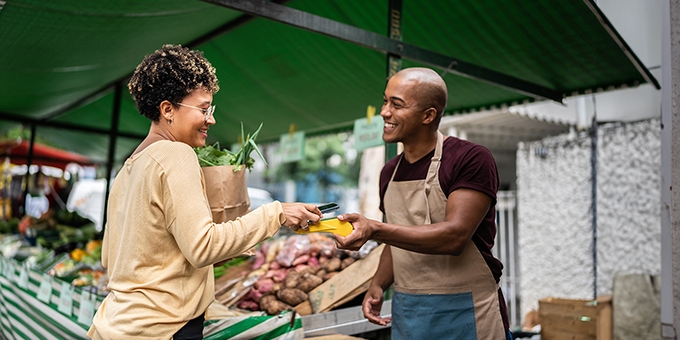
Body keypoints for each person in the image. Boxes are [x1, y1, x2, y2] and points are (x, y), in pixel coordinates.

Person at [87, 45, 322, 340]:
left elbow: (112, 258)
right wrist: (277, 213)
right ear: (167, 110)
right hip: (163, 329)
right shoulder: (176, 155)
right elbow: (202, 247)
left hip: (118, 325)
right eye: (203, 108)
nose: (210, 119)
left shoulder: (129, 169)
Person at [335, 67, 511, 339]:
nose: (384, 112)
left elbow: (454, 237)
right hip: (409, 311)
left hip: (467, 311)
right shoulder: (389, 172)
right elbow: (398, 239)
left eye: (397, 104)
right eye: (385, 101)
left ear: (428, 115)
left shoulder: (470, 159)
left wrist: (375, 229)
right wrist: (378, 284)